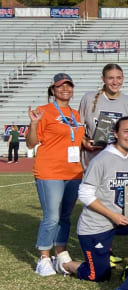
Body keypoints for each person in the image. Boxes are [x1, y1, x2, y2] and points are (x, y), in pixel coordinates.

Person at [56, 117, 128, 280]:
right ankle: (63, 264)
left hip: (121, 219)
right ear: (115, 134)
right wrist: (113, 215)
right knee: (98, 275)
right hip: (97, 226)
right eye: (126, 131)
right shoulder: (101, 160)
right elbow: (85, 194)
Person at [26, 73, 85, 276]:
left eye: (69, 85)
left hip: (74, 171)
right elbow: (31, 143)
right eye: (60, 86)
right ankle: (44, 257)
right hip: (49, 170)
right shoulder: (43, 111)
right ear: (53, 90)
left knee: (66, 216)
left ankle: (60, 253)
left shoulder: (76, 114)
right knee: (51, 216)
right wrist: (34, 124)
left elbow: (75, 140)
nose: (65, 89)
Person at [79, 63, 128, 168]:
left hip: (118, 163)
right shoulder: (89, 99)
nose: (115, 82)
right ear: (103, 79)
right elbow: (78, 127)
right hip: (92, 161)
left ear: (123, 79)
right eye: (111, 78)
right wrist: (84, 142)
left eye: (119, 78)